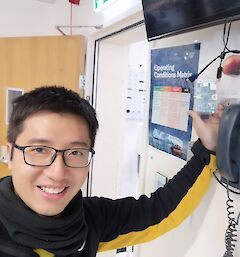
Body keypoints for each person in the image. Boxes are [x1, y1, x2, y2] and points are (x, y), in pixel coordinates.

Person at [0, 86, 223, 257]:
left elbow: (159, 212)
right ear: (10, 155)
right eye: (39, 149)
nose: (58, 172)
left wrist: (207, 148)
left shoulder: (88, 221)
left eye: (76, 152)